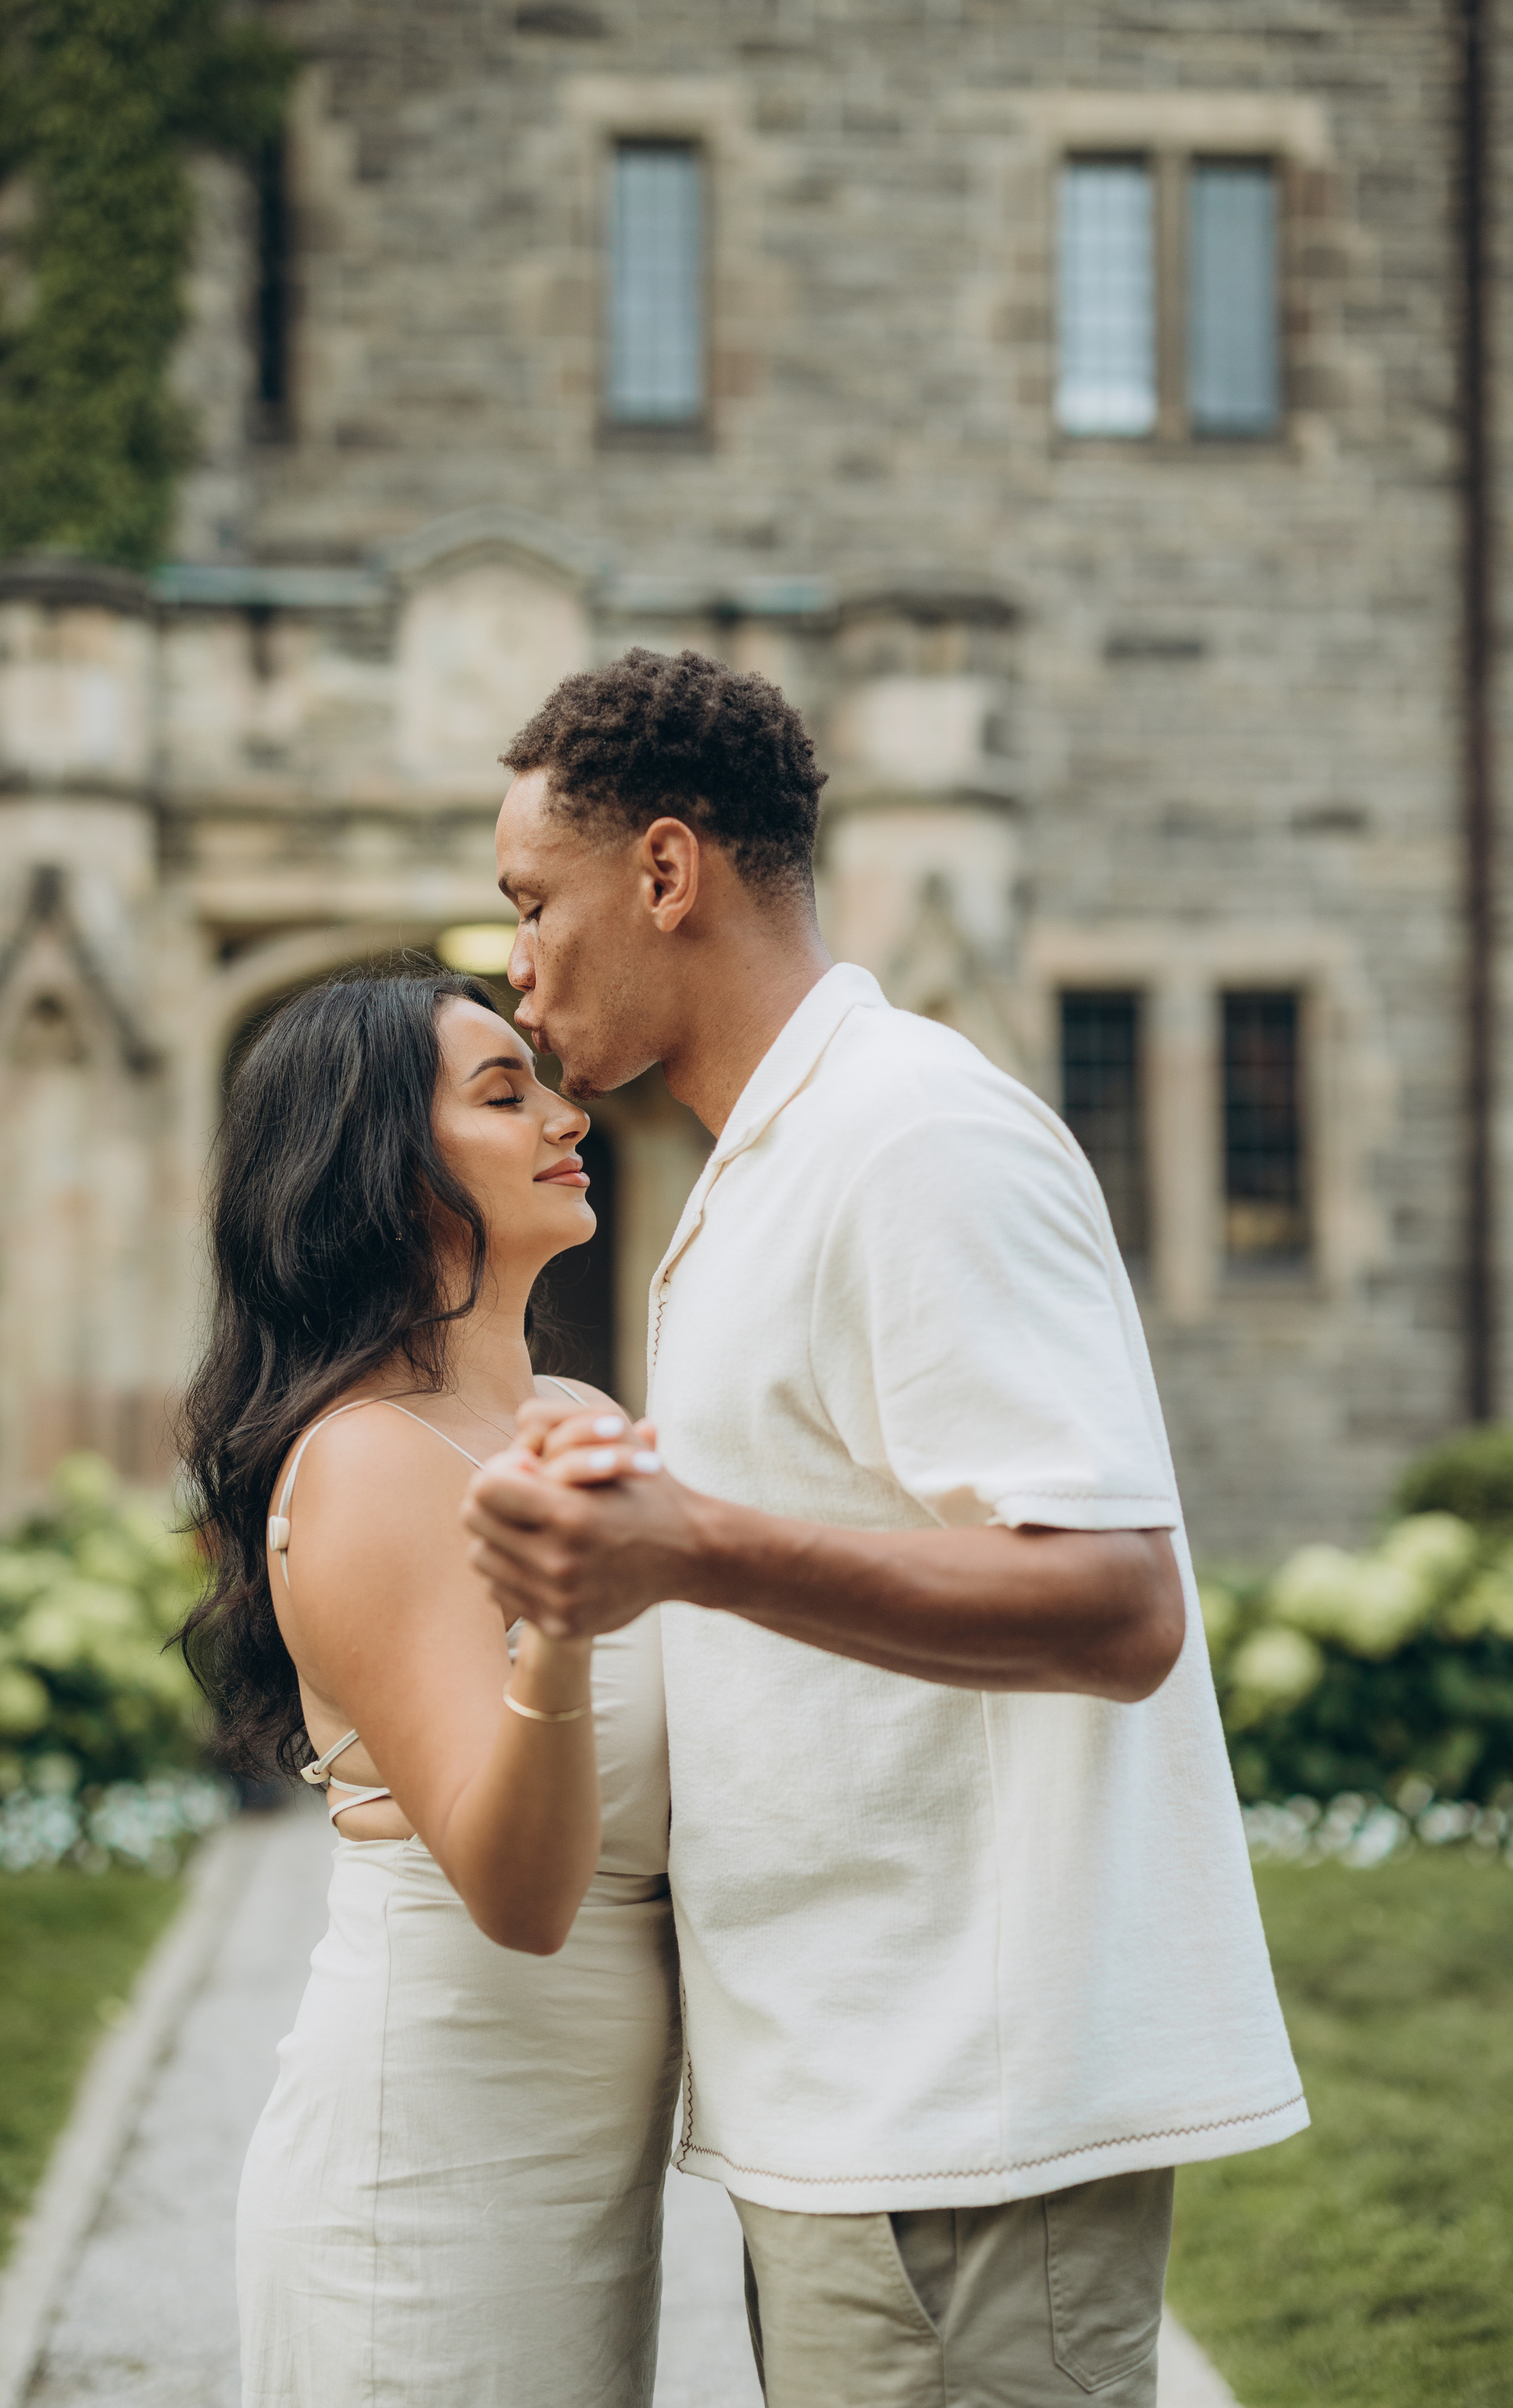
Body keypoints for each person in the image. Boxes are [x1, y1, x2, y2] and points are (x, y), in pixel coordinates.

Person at [464, 648, 1308, 2408]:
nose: (515, 962)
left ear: (669, 873)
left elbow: (1112, 1601)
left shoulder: (913, 1134)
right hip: (856, 2112)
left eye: (532, 902)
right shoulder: (767, 1162)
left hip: (967, 2127)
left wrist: (692, 1546)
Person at [177, 969, 680, 2408]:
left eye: (545, 1081)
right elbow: (518, 1900)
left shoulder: (578, 1422)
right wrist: (560, 1628)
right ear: (384, 1169)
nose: (567, 1114)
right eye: (503, 1092)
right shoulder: (365, 1463)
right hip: (433, 2171)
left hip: (591, 2177)